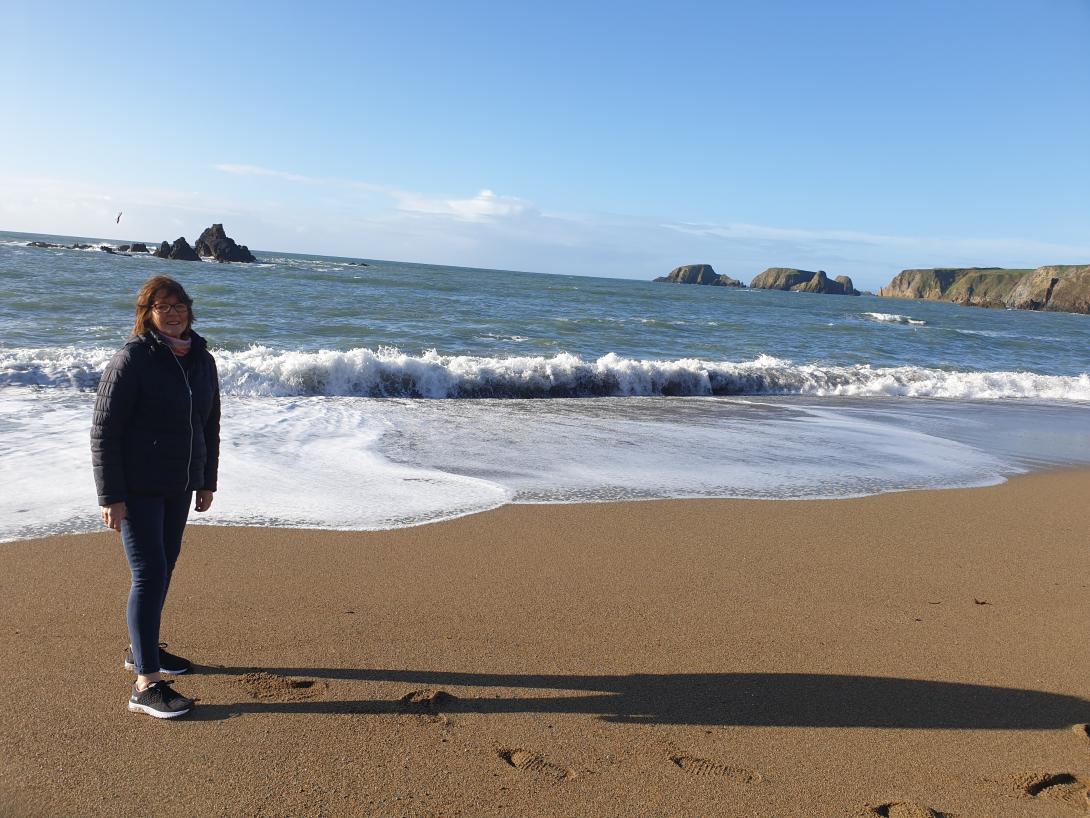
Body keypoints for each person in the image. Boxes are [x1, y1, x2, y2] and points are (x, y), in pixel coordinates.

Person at [91, 275, 220, 718]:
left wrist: (206, 480)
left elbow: (208, 426)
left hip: (179, 486)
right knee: (148, 573)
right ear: (147, 314)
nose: (172, 312)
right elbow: (106, 431)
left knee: (164, 567)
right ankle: (145, 683)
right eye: (161, 306)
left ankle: (143, 649)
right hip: (137, 489)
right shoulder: (133, 359)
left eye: (178, 304)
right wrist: (111, 495)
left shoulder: (202, 359)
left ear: (189, 310)